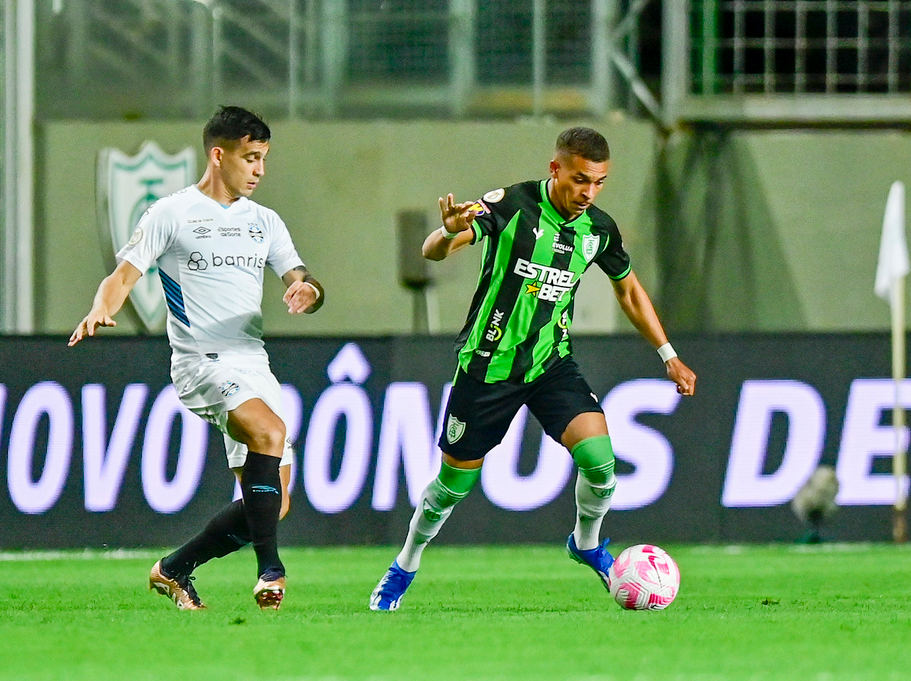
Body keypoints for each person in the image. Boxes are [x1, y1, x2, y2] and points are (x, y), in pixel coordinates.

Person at [370, 127, 696, 611]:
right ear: (556, 169)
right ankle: (404, 567)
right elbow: (433, 252)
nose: (589, 192)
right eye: (581, 179)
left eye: (600, 182)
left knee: (601, 464)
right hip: (486, 367)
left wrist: (668, 353)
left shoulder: (599, 230)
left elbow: (627, 290)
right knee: (451, 488)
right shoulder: (509, 205)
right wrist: (447, 229)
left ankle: (587, 544)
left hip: (550, 364)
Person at [69, 106, 324, 611]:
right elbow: (123, 276)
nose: (259, 170)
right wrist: (102, 306)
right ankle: (270, 571)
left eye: (264, 159)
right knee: (270, 434)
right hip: (201, 362)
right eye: (251, 158)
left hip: (254, 363)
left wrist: (308, 291)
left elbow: (300, 275)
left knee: (276, 504)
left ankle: (174, 568)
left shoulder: (264, 221)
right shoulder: (172, 213)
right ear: (218, 154)